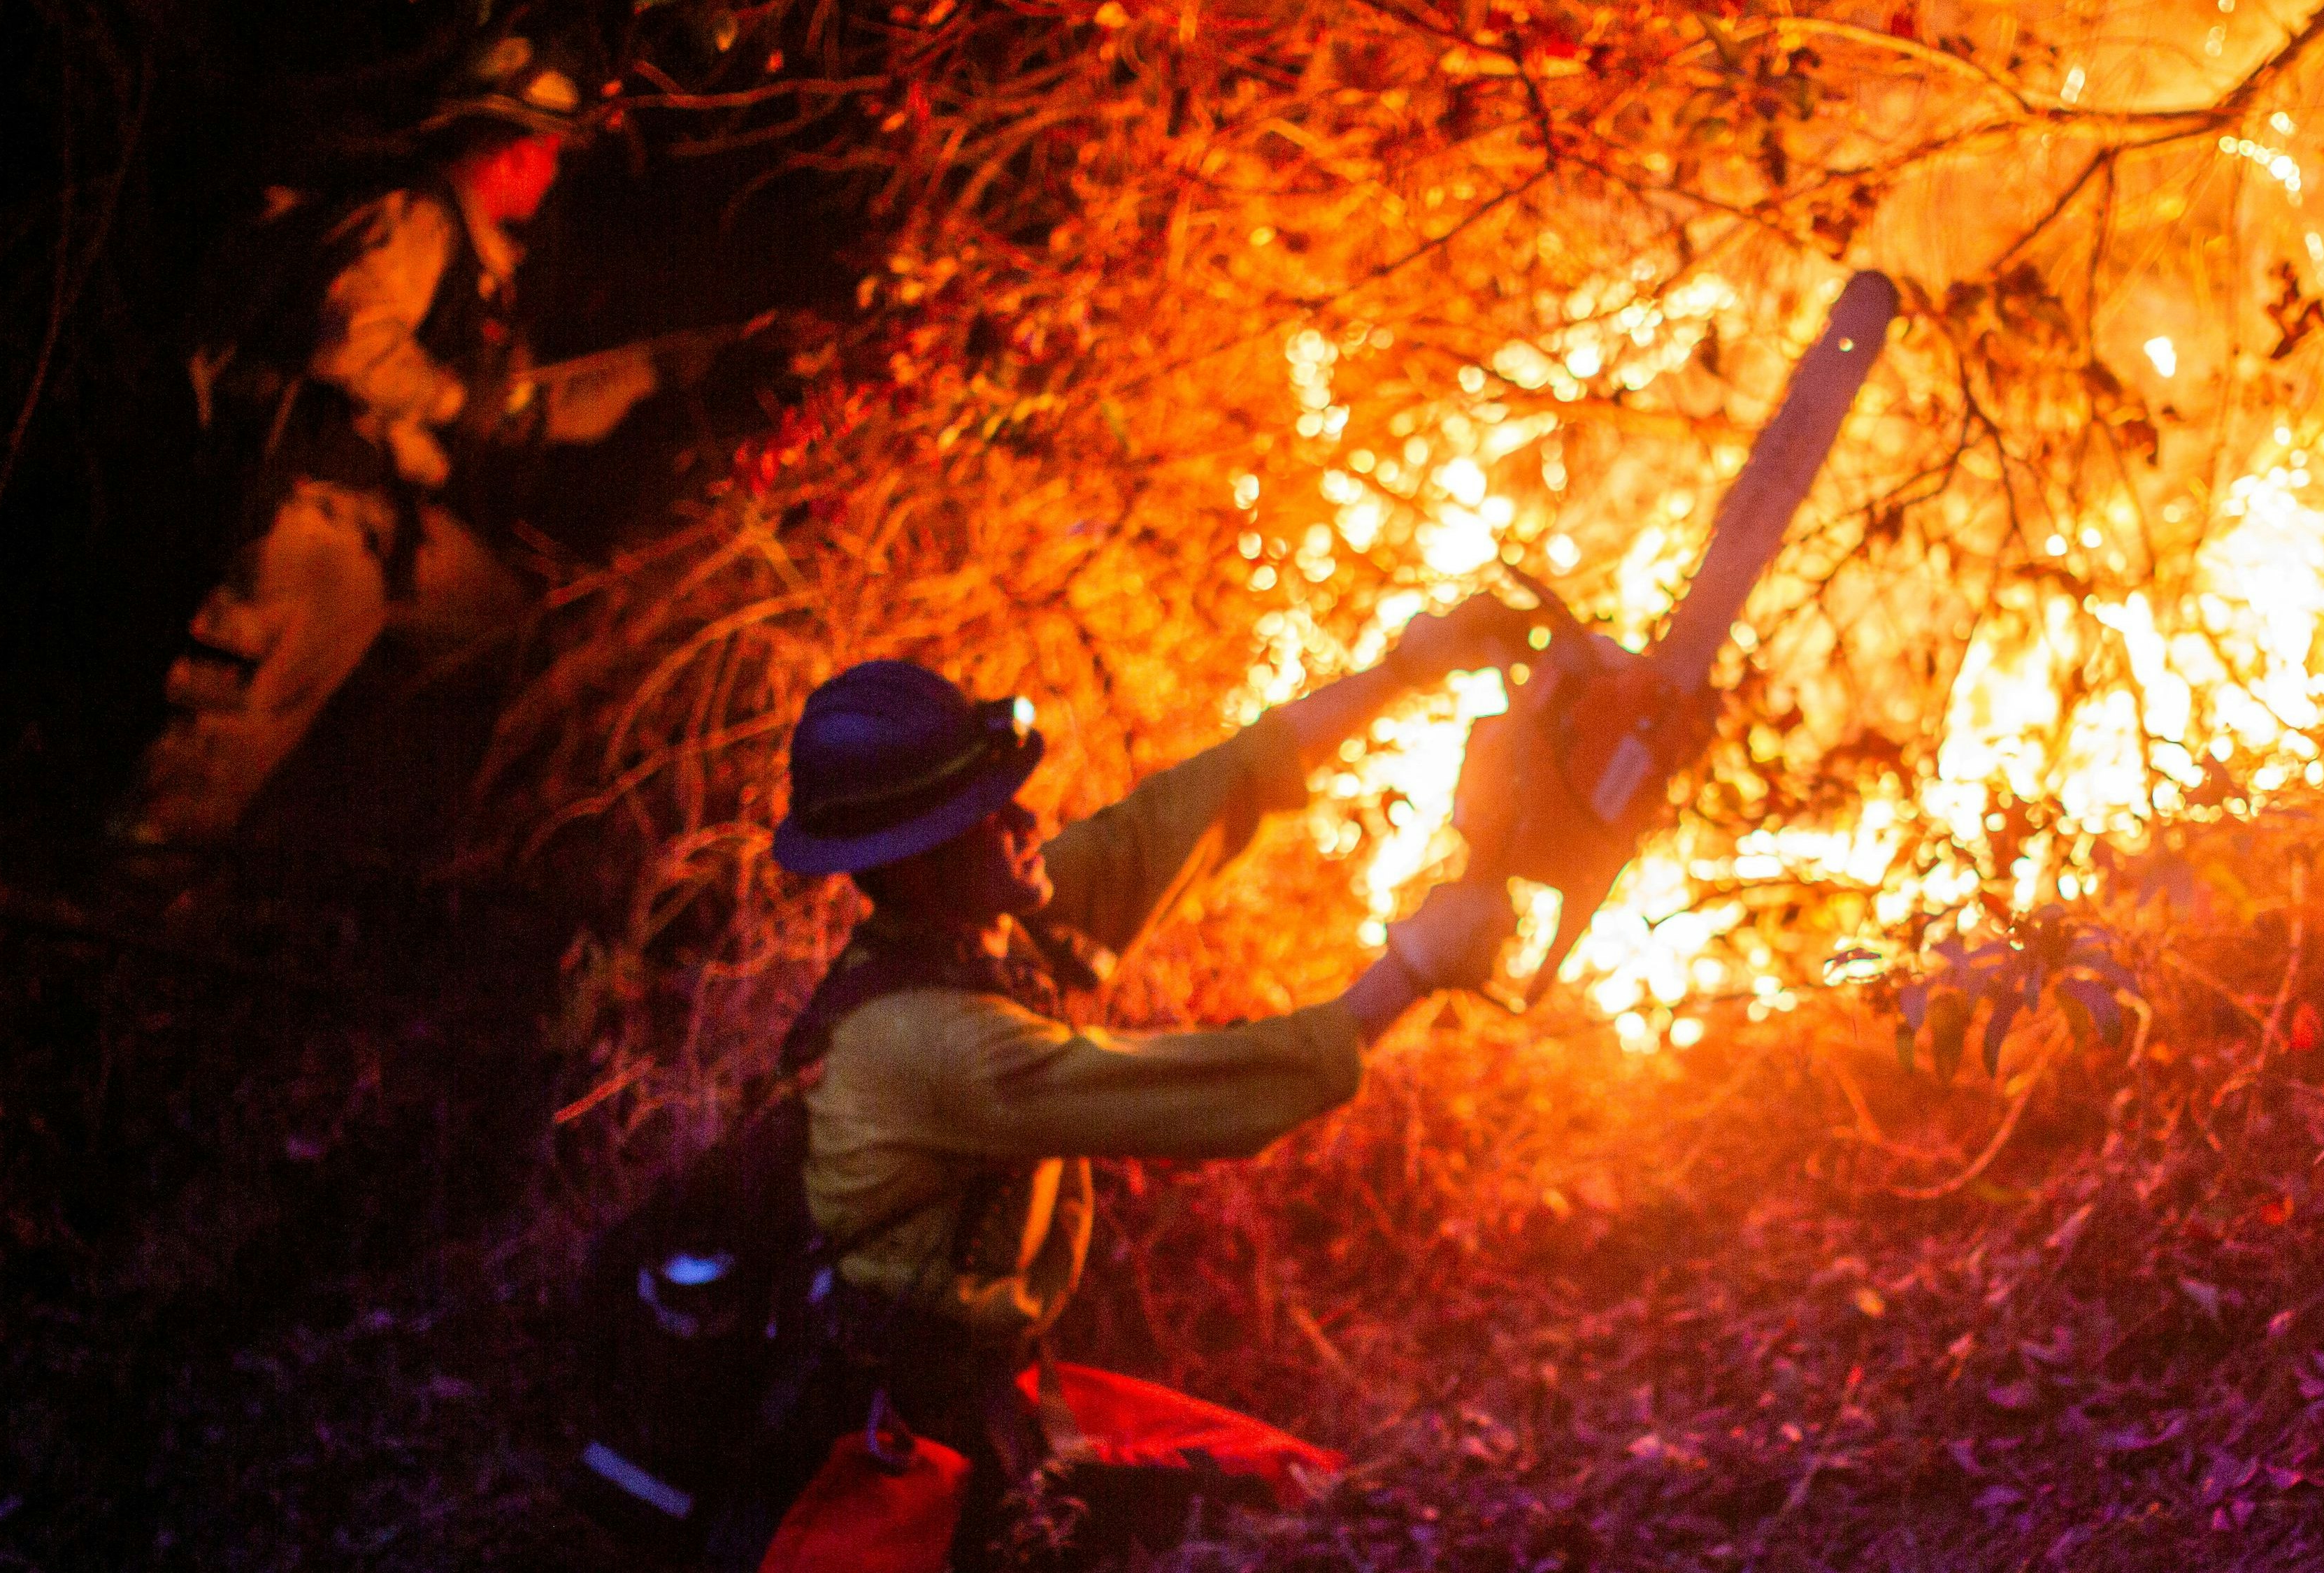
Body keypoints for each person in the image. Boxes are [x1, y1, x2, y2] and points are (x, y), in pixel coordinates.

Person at [755, 601, 1532, 1569]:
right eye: (986, 812)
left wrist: (1406, 670)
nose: (1025, 818)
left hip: (990, 1396)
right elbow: (1220, 1094)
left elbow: (1198, 806)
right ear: (916, 864)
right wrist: (1414, 966)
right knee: (1302, 1533)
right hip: (896, 1460)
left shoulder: (983, 928)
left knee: (1314, 1486)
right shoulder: (925, 1044)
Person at [113, 31, 672, 848]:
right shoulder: (414, 219)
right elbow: (352, 342)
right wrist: (456, 401)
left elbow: (524, 409)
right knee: (244, 716)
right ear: (516, 152)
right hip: (322, 519)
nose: (554, 175)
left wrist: (656, 374)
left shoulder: (481, 268)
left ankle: (375, 854)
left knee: (511, 639)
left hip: (393, 529)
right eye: (551, 153)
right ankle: (128, 887)